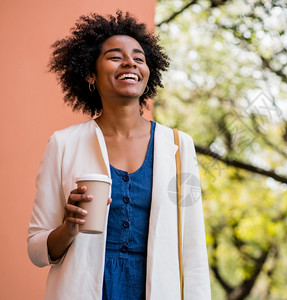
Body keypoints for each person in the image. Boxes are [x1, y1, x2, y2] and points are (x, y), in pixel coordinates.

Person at [27, 11, 211, 300]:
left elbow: (193, 247)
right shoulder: (63, 144)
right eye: (115, 56)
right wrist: (69, 228)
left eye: (139, 58)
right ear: (90, 73)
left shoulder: (178, 146)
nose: (130, 63)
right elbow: (36, 250)